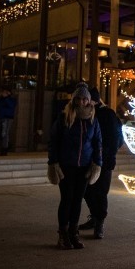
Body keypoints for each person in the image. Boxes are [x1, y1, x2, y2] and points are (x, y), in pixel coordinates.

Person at [47, 82, 102, 250]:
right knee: (67, 199)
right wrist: (53, 162)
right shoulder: (64, 117)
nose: (81, 102)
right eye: (78, 98)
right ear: (74, 99)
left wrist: (97, 163)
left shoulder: (92, 119)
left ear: (89, 100)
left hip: (84, 166)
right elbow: (54, 141)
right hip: (66, 166)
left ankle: (73, 232)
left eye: (85, 99)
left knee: (77, 200)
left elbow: (97, 142)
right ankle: (63, 234)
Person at [79, 87, 123, 239]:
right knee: (87, 191)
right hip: (87, 160)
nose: (82, 102)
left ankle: (99, 223)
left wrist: (106, 156)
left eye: (85, 99)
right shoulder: (84, 113)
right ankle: (95, 218)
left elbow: (115, 139)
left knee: (100, 192)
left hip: (103, 161)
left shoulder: (106, 114)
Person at [0, 87, 17, 155]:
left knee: (5, 134)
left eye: (6, 92)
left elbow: (11, 105)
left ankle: (4, 149)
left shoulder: (12, 99)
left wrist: (6, 97)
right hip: (0, 117)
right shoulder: (1, 99)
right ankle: (7, 144)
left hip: (8, 118)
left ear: (9, 93)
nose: (4, 93)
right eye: (3, 92)